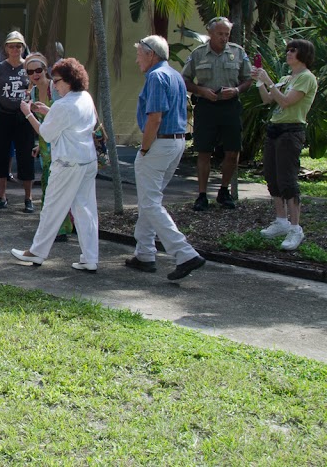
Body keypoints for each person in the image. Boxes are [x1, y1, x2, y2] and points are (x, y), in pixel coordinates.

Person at [127, 35, 206, 281]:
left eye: (140, 53)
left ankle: (184, 253)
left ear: (151, 54)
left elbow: (155, 118)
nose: (137, 58)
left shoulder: (155, 77)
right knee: (149, 200)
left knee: (150, 203)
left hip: (160, 143)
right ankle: (145, 254)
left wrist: (144, 148)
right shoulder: (174, 75)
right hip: (176, 142)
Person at [10, 57, 100, 272]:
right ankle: (90, 257)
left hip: (68, 162)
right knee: (85, 210)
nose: (55, 84)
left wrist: (29, 113)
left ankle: (37, 252)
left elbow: (46, 134)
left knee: (51, 208)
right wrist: (47, 112)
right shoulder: (85, 97)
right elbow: (83, 122)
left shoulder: (63, 105)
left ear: (69, 81)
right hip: (87, 160)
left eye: (57, 81)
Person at [252, 39, 318, 251]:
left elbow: (287, 101)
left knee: (288, 179)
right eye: (288, 49)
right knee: (272, 176)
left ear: (303, 54)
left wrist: (269, 81)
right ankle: (281, 221)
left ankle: (295, 228)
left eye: (293, 50)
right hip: (275, 129)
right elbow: (267, 100)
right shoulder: (286, 77)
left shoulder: (306, 78)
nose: (288, 53)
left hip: (291, 131)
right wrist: (260, 82)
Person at [181, 17, 253, 211]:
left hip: (230, 106)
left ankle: (224, 191)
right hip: (206, 106)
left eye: (226, 34)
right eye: (220, 34)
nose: (223, 38)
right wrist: (201, 91)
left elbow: (248, 79)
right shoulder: (198, 54)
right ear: (210, 33)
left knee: (232, 151)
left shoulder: (238, 52)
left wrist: (237, 90)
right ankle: (202, 195)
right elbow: (185, 79)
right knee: (204, 151)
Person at [26, 52, 74, 242]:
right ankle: (54, 226)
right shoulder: (33, 93)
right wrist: (38, 143)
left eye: (39, 70)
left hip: (62, 141)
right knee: (48, 184)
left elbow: (62, 116)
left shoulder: (55, 89)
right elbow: (43, 123)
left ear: (45, 70)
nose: (35, 74)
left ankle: (59, 228)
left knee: (57, 185)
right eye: (30, 71)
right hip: (47, 142)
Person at [0, 31, 35, 212]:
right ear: (6, 48)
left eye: (18, 46)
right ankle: (1, 196)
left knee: (26, 155)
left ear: (23, 47)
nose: (15, 49)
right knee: (0, 154)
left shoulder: (30, 66)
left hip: (23, 116)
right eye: (11, 45)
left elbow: (38, 87)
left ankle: (28, 198)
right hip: (2, 114)